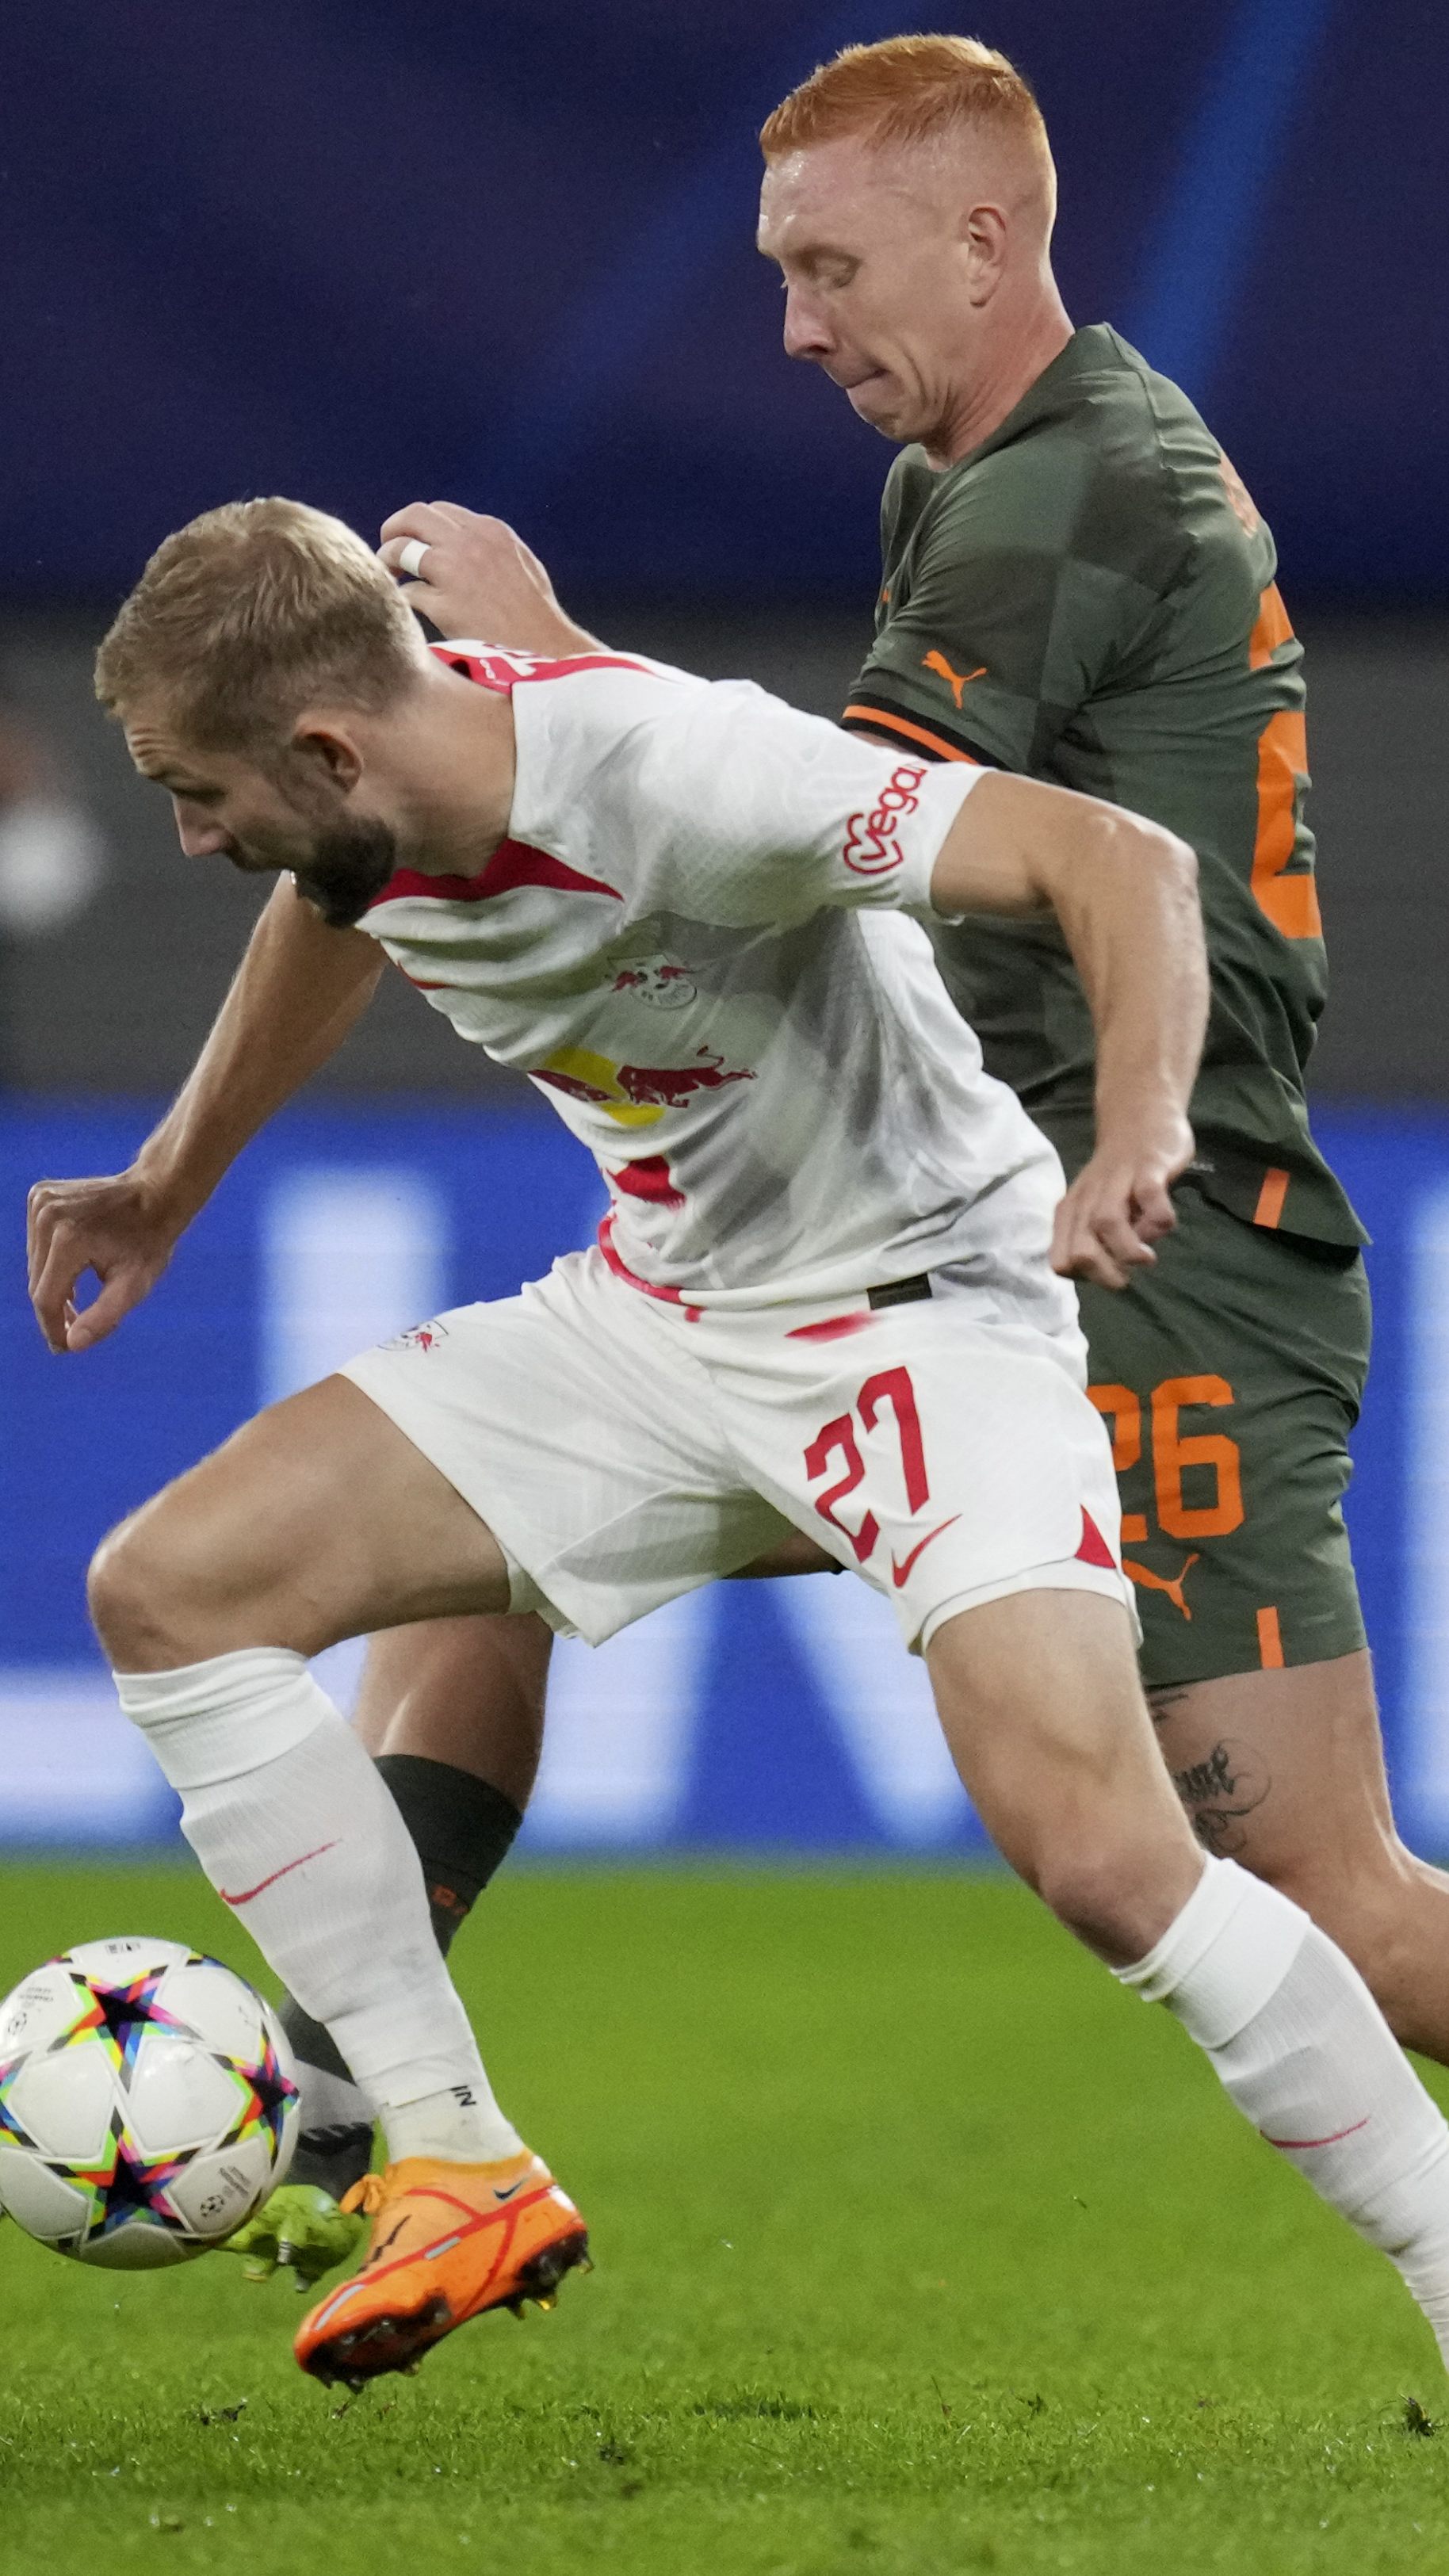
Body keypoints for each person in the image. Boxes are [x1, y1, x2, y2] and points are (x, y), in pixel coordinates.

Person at [48, 494, 1449, 2397]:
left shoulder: (685, 770)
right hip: (655, 1322)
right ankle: (451, 2154)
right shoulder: (375, 810)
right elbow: (332, 905)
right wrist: (168, 1182)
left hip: (919, 1324)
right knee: (172, 1587)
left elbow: (1114, 859)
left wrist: (1130, 1136)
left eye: (194, 791)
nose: (194, 839)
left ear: (322, 746)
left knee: (1110, 1858)